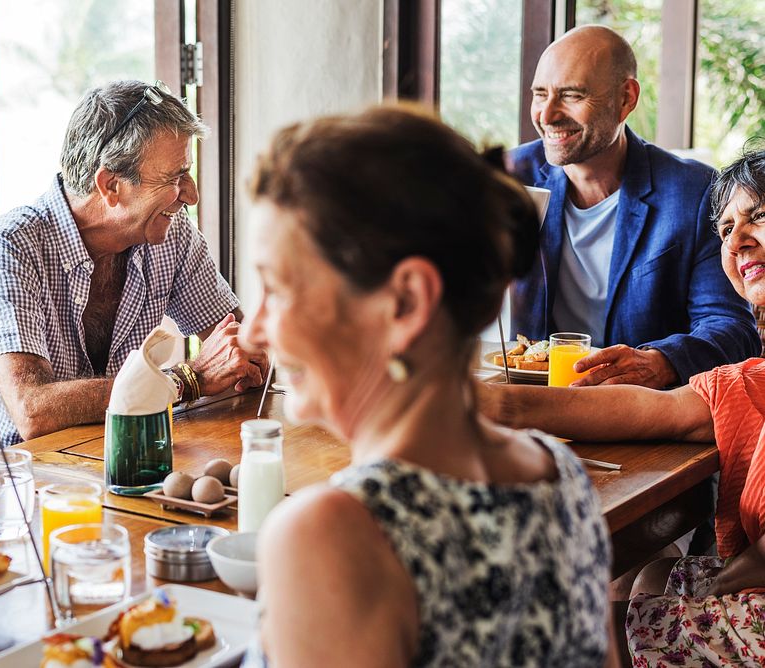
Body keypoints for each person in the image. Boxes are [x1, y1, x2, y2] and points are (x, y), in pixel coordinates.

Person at [240, 105, 614, 666]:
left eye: (278, 288)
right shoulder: (559, 475)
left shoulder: (332, 535)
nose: (252, 329)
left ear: (406, 302)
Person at [482, 148, 765, 664]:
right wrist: (494, 401)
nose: (737, 239)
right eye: (725, 229)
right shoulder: (756, 377)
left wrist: (719, 586)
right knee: (652, 575)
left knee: (581, 627)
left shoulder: (679, 185)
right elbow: (652, 411)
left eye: (758, 216)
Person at [0, 80, 266, 447]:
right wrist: (184, 380)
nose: (190, 195)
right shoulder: (7, 248)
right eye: (175, 177)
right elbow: (33, 410)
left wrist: (248, 356)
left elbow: (244, 352)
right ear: (110, 185)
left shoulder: (170, 235)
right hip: (4, 486)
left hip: (111, 463)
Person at [509, 25, 758, 389]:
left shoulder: (695, 191)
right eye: (540, 94)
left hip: (638, 412)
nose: (547, 115)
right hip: (523, 401)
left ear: (626, 98)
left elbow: (732, 328)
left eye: (572, 95)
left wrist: (660, 362)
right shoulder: (506, 179)